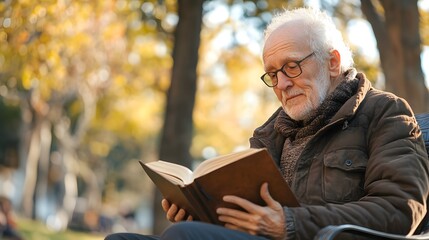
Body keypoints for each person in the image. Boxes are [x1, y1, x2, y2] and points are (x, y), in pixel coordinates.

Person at [105, 7, 429, 240]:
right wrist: (199, 208)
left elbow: (401, 209)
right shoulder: (270, 133)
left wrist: (291, 223)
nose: (282, 84)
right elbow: (245, 212)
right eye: (272, 74)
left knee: (183, 235)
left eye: (291, 67)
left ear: (332, 62)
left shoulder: (386, 113)